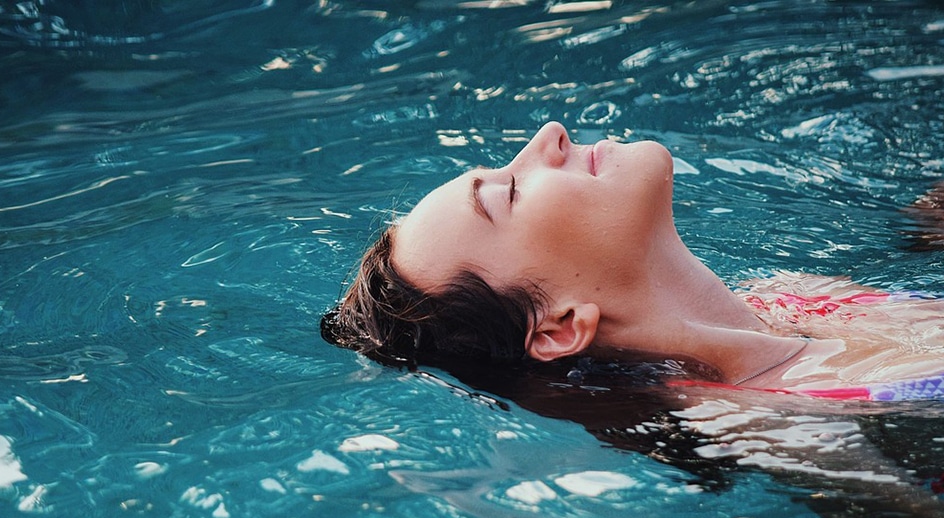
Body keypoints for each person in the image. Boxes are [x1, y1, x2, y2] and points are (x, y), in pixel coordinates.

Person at [321, 121, 944, 401]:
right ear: (562, 327)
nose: (549, 135)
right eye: (508, 192)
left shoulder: (793, 294)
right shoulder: (777, 419)